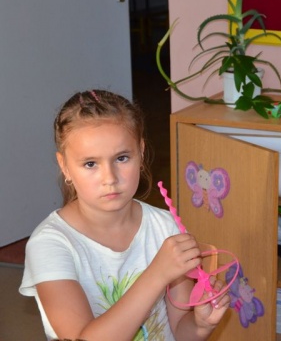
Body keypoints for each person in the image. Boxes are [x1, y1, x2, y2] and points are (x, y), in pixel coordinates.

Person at [20, 89, 230, 340]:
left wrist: (201, 325)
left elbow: (181, 333)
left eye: (121, 158)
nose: (110, 178)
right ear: (64, 166)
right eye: (90, 164)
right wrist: (157, 274)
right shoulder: (49, 244)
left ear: (140, 152)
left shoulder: (165, 227)